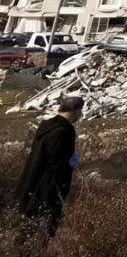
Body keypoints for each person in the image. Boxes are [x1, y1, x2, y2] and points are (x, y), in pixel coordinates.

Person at [16, 96, 83, 237]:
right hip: (48, 190)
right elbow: (58, 163)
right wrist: (63, 189)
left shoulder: (46, 127)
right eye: (80, 111)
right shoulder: (64, 131)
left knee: (27, 230)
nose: (80, 115)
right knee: (44, 231)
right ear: (75, 110)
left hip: (31, 185)